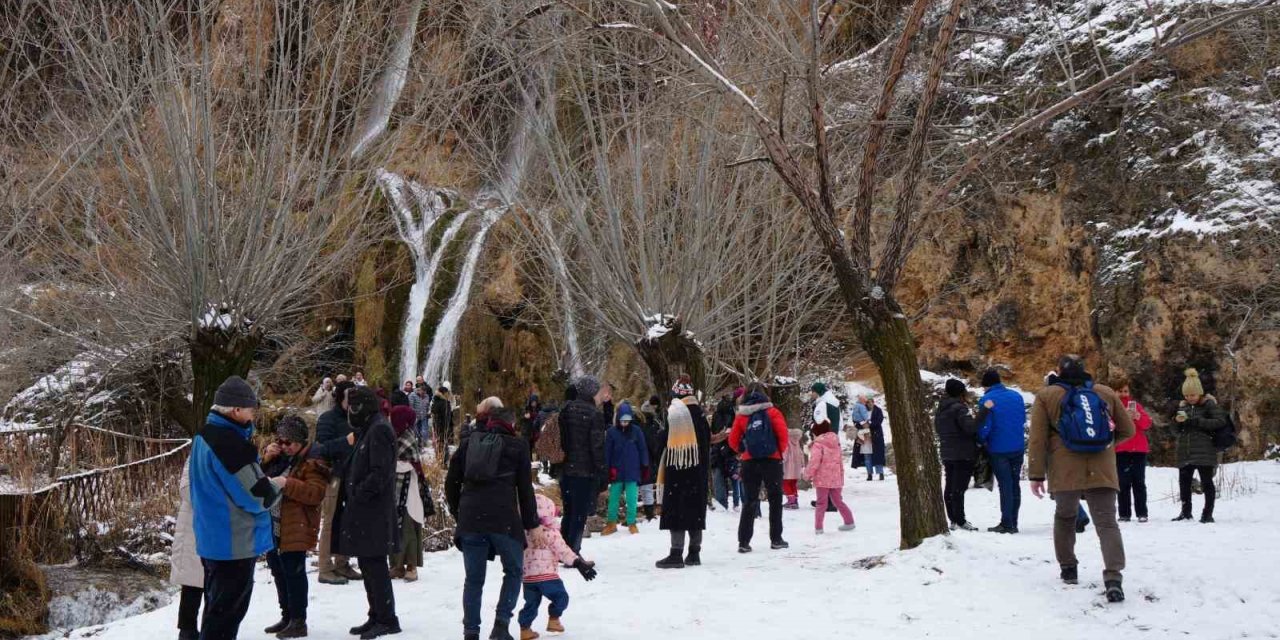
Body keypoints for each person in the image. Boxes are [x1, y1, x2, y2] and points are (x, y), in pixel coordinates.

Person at [1028, 355, 1135, 604]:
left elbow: (1037, 439)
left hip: (1064, 466)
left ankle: (1068, 568)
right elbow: (1128, 429)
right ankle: (1113, 577)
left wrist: (1036, 473)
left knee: (1065, 516)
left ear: (1059, 371)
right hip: (1103, 466)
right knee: (1107, 522)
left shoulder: (1047, 396)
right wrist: (1107, 444)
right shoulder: (1105, 392)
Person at [188, 376, 281, 640]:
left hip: (212, 539)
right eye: (251, 409)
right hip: (233, 544)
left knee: (215, 611)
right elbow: (257, 497)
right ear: (236, 410)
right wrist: (278, 483)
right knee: (225, 618)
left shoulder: (203, 436)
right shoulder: (229, 444)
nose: (254, 415)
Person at [445, 406, 541, 640]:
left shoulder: (468, 443)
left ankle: (470, 631)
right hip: (503, 519)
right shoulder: (518, 446)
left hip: (471, 520)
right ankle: (500, 625)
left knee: (474, 579)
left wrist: (461, 513)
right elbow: (525, 490)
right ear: (511, 425)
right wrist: (532, 524)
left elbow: (451, 482)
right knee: (513, 570)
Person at [332, 387, 401, 639]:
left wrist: (359, 493)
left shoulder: (379, 429)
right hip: (364, 511)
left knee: (375, 565)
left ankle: (386, 618)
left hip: (373, 511)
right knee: (368, 564)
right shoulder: (370, 428)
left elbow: (380, 473)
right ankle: (376, 614)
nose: (350, 410)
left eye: (353, 405)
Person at [260, 416, 329, 639]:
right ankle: (287, 615)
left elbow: (315, 493)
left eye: (289, 442)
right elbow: (258, 481)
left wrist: (287, 484)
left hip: (297, 524)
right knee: (278, 571)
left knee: (294, 573)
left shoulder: (314, 461)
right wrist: (266, 459)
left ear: (300, 441)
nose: (284, 446)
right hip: (275, 524)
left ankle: (299, 621)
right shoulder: (280, 458)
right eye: (280, 441)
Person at [518, 494, 598, 640]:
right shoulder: (551, 533)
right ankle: (554, 619)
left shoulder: (523, 532)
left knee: (531, 604)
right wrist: (577, 562)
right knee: (561, 597)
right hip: (548, 576)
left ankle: (525, 628)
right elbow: (563, 551)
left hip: (528, 578)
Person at [655, 375, 711, 568]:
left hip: (679, 470)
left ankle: (676, 554)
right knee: (695, 511)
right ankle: (694, 553)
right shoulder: (700, 414)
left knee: (677, 511)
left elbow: (665, 441)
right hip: (699, 471)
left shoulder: (677, 412)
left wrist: (659, 437)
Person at [728, 383, 790, 554]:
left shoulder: (741, 415)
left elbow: (733, 441)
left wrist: (743, 450)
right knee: (775, 499)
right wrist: (777, 452)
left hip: (750, 462)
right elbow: (783, 436)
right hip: (772, 460)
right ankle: (776, 539)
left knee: (749, 501)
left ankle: (744, 541)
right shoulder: (773, 412)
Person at [310, 380, 361, 584]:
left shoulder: (356, 419)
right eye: (350, 397)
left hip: (352, 476)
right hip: (333, 476)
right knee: (330, 521)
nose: (354, 401)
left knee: (348, 520)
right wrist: (345, 442)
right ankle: (324, 566)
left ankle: (342, 562)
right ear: (341, 397)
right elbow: (321, 449)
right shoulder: (327, 419)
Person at [558, 376, 609, 554]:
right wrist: (603, 474)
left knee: (568, 511)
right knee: (579, 513)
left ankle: (562, 550)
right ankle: (573, 552)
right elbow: (597, 447)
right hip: (584, 470)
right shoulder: (594, 414)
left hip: (565, 468)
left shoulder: (565, 409)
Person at [1172, 368, 1227, 523]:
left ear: (1200, 393)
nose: (1190, 398)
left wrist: (1198, 422)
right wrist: (1177, 422)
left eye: (1193, 395)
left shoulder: (1209, 405)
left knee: (1207, 483)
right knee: (1184, 483)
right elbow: (1174, 430)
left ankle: (1207, 513)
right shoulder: (1182, 407)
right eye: (1187, 395)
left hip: (1205, 451)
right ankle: (1185, 512)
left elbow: (1220, 421)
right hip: (1186, 451)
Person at [977, 368, 1027, 534]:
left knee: (1005, 485)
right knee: (1014, 484)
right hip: (1017, 446)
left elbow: (985, 426)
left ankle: (1007, 523)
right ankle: (1014, 521)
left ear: (987, 385)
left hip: (998, 449)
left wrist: (981, 440)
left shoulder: (987, 399)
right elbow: (1022, 419)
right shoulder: (1016, 396)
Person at [935, 378, 979, 531]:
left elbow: (939, 430)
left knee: (950, 486)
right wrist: (983, 414)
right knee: (959, 488)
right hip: (963, 453)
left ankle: (953, 519)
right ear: (961, 393)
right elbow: (970, 429)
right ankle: (960, 520)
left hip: (947, 452)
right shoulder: (960, 408)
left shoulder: (941, 409)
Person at [388, 406, 426, 582]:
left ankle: (411, 565)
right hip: (393, 490)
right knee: (395, 527)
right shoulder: (393, 436)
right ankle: (396, 565)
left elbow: (412, 465)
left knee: (408, 528)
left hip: (408, 491)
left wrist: (390, 464)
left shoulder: (408, 438)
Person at [603, 401, 649, 535]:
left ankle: (632, 522)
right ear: (618, 419)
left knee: (631, 499)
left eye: (627, 420)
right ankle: (611, 523)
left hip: (632, 471)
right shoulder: (611, 432)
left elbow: (642, 449)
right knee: (613, 499)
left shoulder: (636, 431)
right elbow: (607, 452)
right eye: (622, 420)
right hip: (616, 471)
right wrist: (608, 468)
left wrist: (644, 465)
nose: (625, 423)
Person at [170, 456, 203, 640]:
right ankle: (187, 630)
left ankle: (211, 630)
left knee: (217, 585)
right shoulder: (195, 458)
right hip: (193, 527)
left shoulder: (231, 452)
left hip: (217, 529)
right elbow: (186, 490)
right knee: (192, 585)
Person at [1111, 378, 1152, 523]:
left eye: (1125, 391)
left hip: (1138, 449)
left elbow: (1147, 424)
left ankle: (1142, 512)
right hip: (1120, 449)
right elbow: (1109, 426)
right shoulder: (1112, 408)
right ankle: (1124, 513)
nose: (1123, 394)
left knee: (1139, 482)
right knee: (1123, 483)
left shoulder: (1136, 406)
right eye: (1120, 391)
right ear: (1114, 392)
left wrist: (1137, 416)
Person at [803, 421, 855, 534]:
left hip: (822, 479)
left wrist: (807, 474)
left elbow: (814, 461)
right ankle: (849, 521)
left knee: (821, 503)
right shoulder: (836, 442)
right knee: (838, 501)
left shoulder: (818, 444)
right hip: (836, 477)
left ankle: (818, 528)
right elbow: (840, 461)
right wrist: (841, 476)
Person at [637, 395, 666, 520]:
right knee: (647, 486)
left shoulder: (639, 424)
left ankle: (645, 512)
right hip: (648, 458)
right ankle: (649, 513)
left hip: (638, 458)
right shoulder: (652, 424)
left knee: (639, 487)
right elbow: (653, 444)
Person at [864, 396, 887, 480]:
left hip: (877, 434)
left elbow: (879, 421)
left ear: (873, 402)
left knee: (878, 454)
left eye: (871, 402)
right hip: (866, 434)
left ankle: (880, 473)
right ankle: (869, 474)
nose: (869, 404)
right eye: (867, 402)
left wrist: (869, 424)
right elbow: (858, 420)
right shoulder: (863, 411)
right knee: (867, 454)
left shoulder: (878, 410)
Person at [781, 426, 803, 509]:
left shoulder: (786, 441)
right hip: (796, 467)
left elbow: (785, 453)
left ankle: (791, 501)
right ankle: (795, 500)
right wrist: (802, 464)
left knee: (786, 483)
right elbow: (801, 454)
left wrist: (781, 460)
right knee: (793, 484)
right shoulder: (797, 442)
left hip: (788, 467)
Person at [431, 383, 455, 453]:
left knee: (439, 446)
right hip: (443, 428)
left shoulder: (436, 402)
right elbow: (446, 418)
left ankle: (440, 459)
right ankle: (443, 461)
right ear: (444, 393)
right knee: (443, 446)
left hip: (437, 428)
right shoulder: (444, 403)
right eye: (447, 393)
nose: (448, 395)